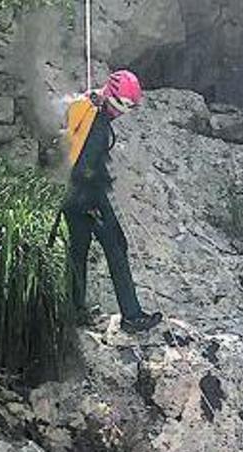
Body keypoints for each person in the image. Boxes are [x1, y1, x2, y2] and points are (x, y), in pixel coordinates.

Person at [62, 69, 162, 333]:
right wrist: (95, 200)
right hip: (87, 194)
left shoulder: (89, 105)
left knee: (78, 250)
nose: (122, 112)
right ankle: (131, 315)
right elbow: (85, 165)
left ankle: (74, 311)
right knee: (117, 245)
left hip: (69, 194)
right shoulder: (96, 121)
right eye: (122, 105)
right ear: (112, 97)